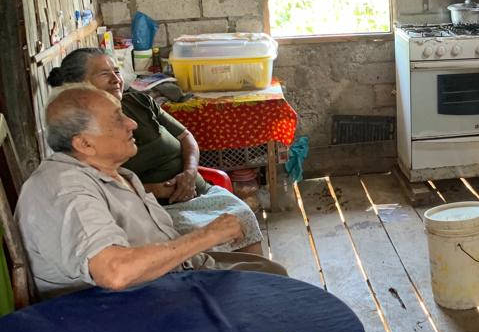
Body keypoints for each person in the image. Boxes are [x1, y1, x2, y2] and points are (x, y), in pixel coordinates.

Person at [15, 87, 286, 298]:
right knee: (270, 294)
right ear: (85, 144)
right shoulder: (65, 189)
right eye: (117, 119)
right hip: (130, 305)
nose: (132, 124)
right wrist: (208, 235)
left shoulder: (115, 173)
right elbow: (115, 272)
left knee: (271, 274)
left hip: (174, 276)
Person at [46, 48, 265, 254]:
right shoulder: (83, 131)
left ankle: (255, 277)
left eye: (116, 71)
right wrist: (157, 191)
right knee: (202, 245)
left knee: (242, 217)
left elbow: (186, 137)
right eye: (105, 74)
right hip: (153, 209)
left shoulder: (138, 102)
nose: (116, 79)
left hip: (198, 191)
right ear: (80, 85)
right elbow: (103, 187)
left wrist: (190, 174)